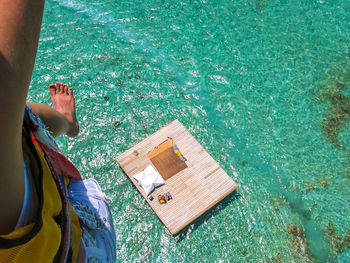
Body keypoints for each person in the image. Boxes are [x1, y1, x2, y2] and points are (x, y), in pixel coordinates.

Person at [0, 0, 116, 262]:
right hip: (79, 249)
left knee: (24, 120)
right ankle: (67, 123)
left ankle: (66, 122)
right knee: (17, 119)